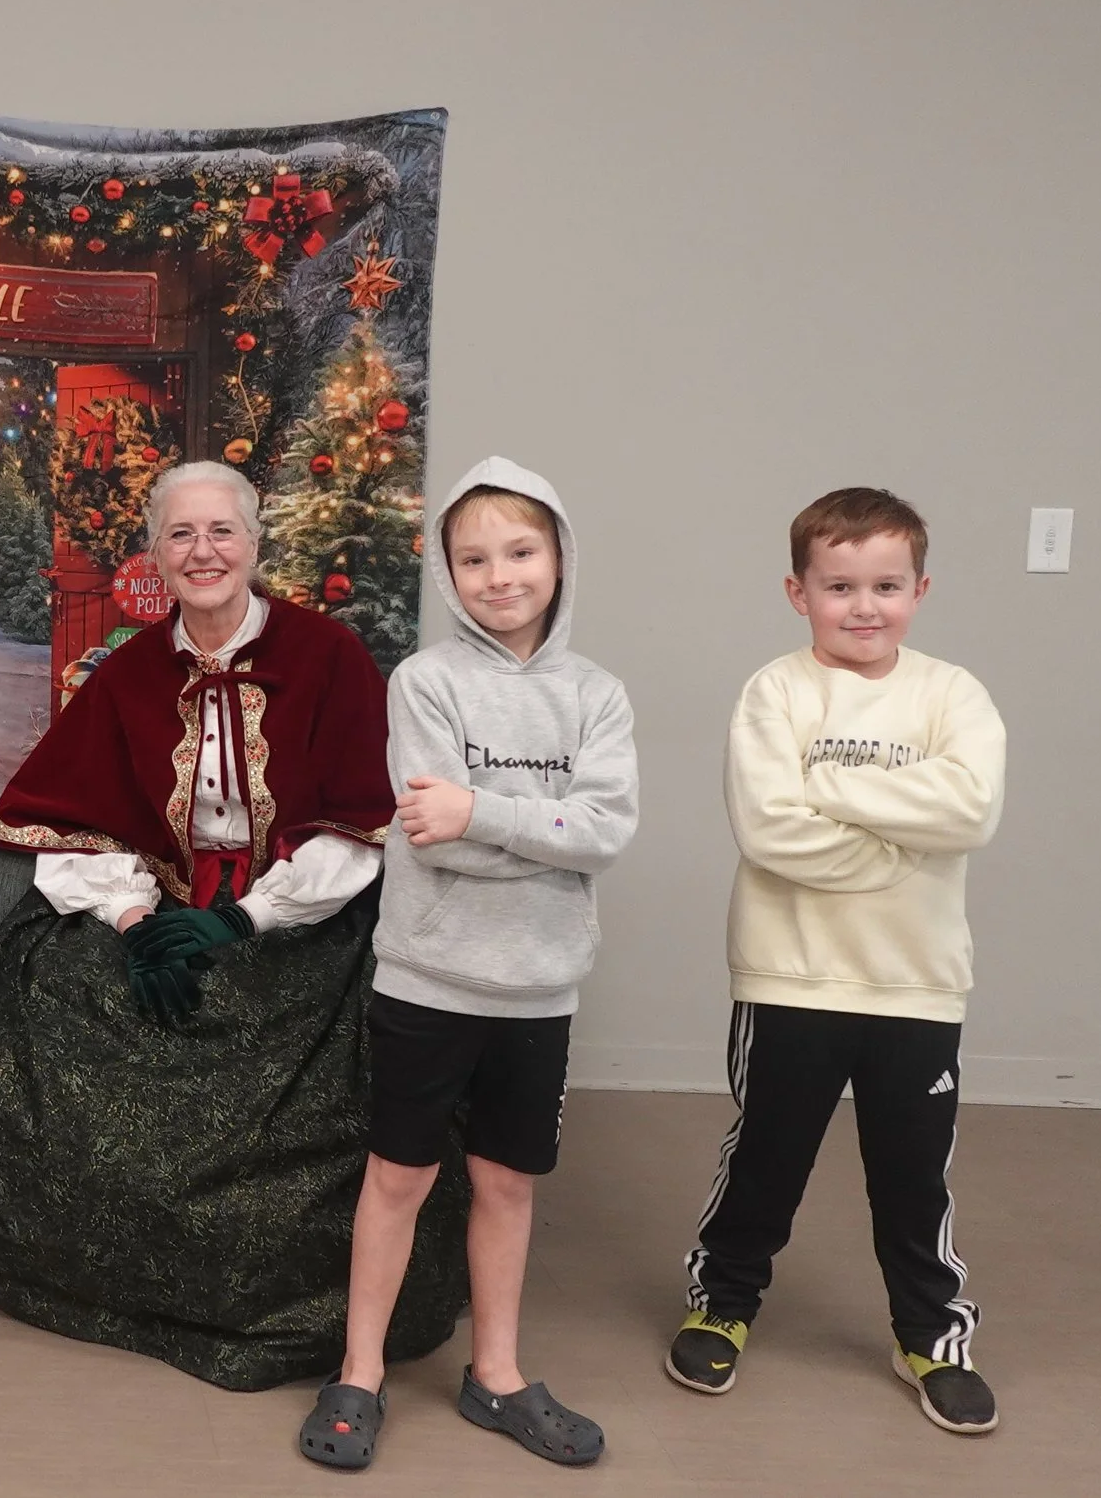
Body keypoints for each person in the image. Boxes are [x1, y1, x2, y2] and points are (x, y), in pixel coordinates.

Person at [0, 462, 469, 1391]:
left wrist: (243, 920)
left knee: (321, 1064)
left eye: (221, 531)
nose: (202, 551)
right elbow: (71, 812)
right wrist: (135, 920)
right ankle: (101, 1265)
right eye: (181, 535)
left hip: (299, 912)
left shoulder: (327, 655)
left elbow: (356, 833)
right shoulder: (128, 669)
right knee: (31, 1011)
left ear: (255, 544)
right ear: (156, 555)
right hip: (163, 902)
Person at [299, 459, 638, 1470]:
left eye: (521, 552)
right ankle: (357, 1370)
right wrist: (541, 827)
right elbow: (428, 831)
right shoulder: (426, 680)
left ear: (560, 558)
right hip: (428, 979)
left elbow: (605, 828)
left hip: (539, 989)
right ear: (448, 573)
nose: (500, 576)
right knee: (398, 1176)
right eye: (474, 558)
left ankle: (495, 1372)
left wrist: (482, 809)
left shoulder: (596, 695)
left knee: (505, 1181)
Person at [667, 487, 1006, 1434]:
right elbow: (771, 827)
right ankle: (723, 1302)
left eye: (887, 585)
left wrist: (832, 786)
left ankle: (931, 1334)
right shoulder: (775, 692)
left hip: (918, 980)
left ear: (921, 589)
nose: (865, 605)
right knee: (767, 1157)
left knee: (913, 1174)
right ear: (797, 591)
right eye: (840, 585)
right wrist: (901, 840)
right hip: (790, 975)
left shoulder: (954, 694)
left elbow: (971, 809)